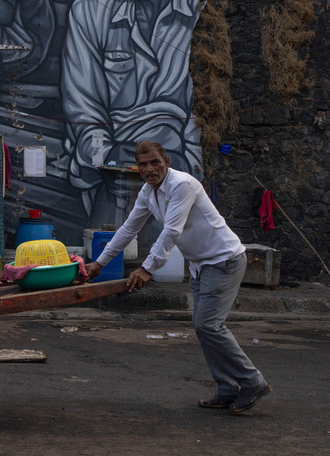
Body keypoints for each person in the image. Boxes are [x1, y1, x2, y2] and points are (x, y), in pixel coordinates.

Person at [86, 141, 271, 413]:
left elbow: (172, 231)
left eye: (154, 163)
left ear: (166, 162)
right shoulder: (148, 192)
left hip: (224, 260)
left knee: (209, 325)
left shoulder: (182, 184)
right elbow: (128, 229)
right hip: (200, 264)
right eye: (143, 165)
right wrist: (99, 263)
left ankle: (253, 381)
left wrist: (147, 268)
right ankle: (228, 389)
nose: (149, 170)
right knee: (204, 326)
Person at [61, 0, 205, 227]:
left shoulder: (204, 11)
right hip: (115, 177)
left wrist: (178, 164)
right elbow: (83, 107)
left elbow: (206, 110)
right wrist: (105, 158)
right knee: (106, 256)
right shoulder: (90, 11)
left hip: (180, 174)